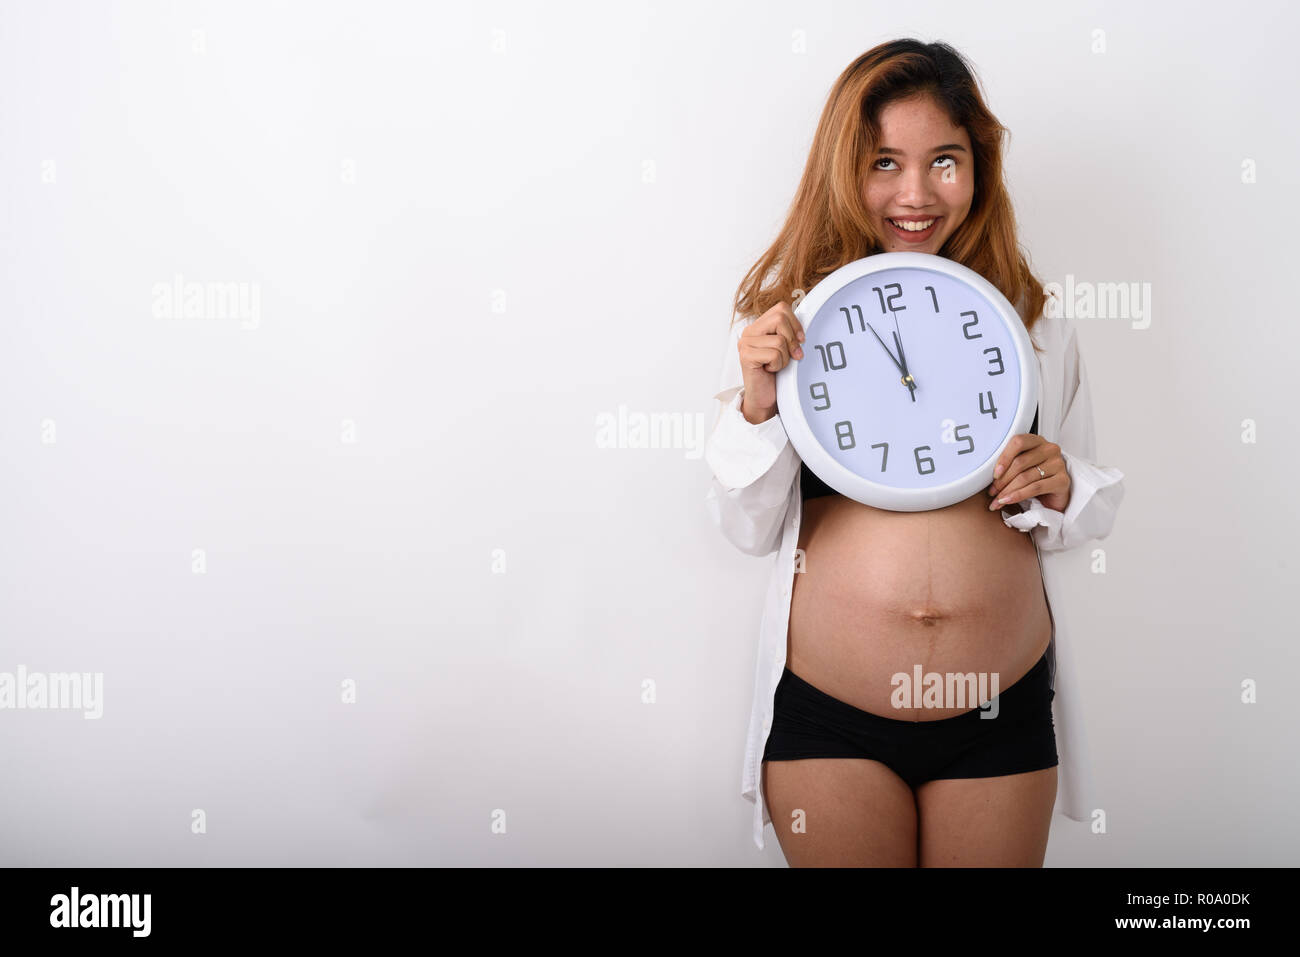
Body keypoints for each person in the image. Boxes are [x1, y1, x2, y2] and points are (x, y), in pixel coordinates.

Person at [703, 39, 1126, 866]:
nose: (915, 194)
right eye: (883, 162)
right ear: (842, 171)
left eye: (945, 162)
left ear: (979, 168)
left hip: (997, 718)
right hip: (832, 721)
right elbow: (746, 529)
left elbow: (1086, 504)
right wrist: (758, 406)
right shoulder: (786, 332)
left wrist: (1063, 483)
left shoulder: (1033, 330)